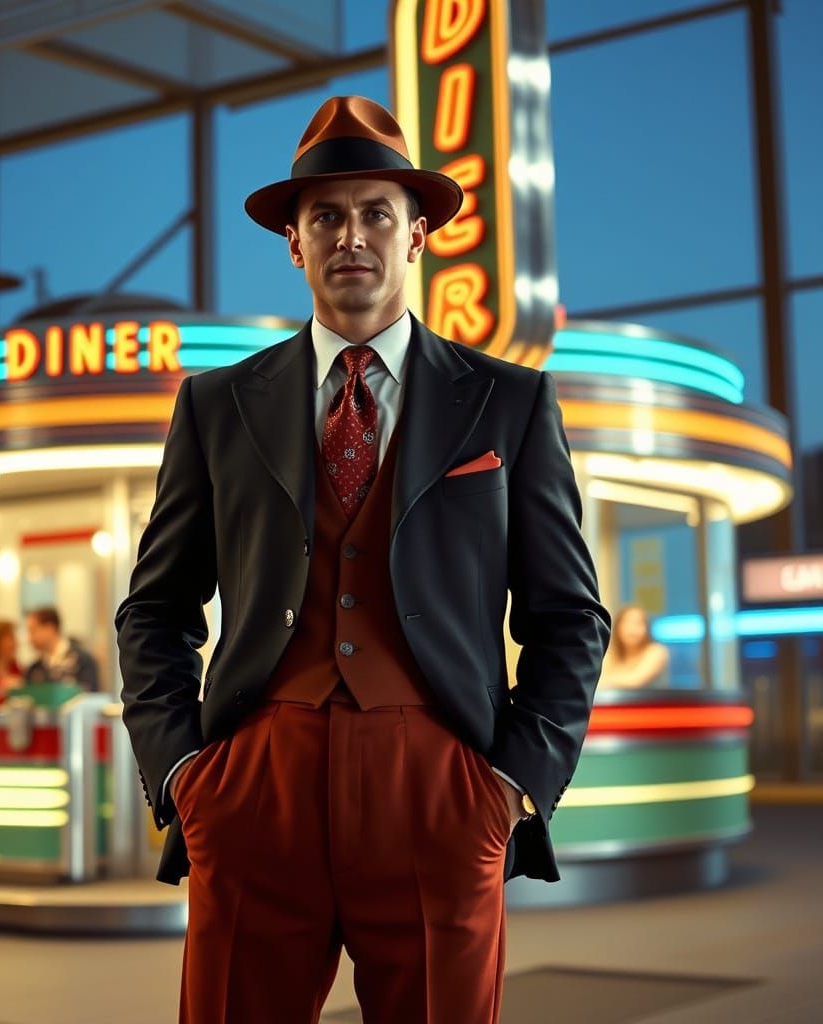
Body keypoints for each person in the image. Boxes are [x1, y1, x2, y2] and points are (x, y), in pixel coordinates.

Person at [115, 95, 611, 1022]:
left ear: (417, 235)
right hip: (254, 792)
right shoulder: (216, 406)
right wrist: (184, 774)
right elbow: (155, 608)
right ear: (294, 244)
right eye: (326, 217)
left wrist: (511, 786)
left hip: (442, 789)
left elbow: (569, 615)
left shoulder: (508, 403)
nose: (352, 236)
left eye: (377, 212)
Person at [23, 606, 100, 692]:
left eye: (33, 631)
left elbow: (90, 693)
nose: (29, 638)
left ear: (50, 628)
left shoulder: (82, 661)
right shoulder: (35, 668)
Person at [599, 604, 669, 689]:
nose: (632, 629)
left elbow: (636, 680)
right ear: (617, 627)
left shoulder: (657, 651)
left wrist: (608, 680)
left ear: (646, 628)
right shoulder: (610, 653)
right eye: (627, 623)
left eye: (639, 623)